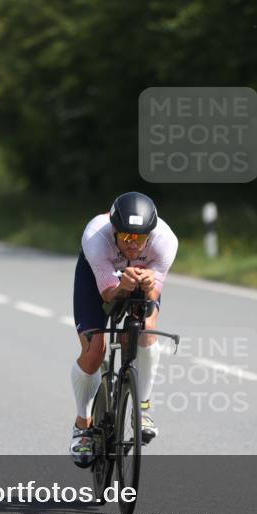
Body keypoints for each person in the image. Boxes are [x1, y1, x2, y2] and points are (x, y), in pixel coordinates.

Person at [69, 192, 178, 466]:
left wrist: (148, 285)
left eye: (140, 239)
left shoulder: (166, 241)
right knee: (94, 351)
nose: (133, 244)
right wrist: (121, 287)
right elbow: (108, 297)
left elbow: (152, 298)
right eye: (126, 237)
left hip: (140, 280)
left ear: (150, 236)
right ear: (114, 231)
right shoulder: (96, 236)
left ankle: (143, 407)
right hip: (98, 278)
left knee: (146, 330)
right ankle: (82, 425)